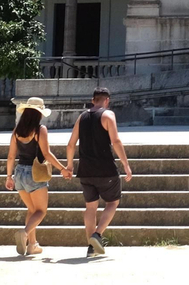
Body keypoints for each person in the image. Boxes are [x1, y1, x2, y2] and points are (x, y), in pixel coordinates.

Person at [63, 86, 133, 257]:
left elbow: (71, 144)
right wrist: (126, 164)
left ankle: (91, 247)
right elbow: (116, 141)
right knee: (112, 203)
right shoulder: (108, 115)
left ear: (93, 100)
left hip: (85, 170)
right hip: (106, 169)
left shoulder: (82, 117)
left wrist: (70, 166)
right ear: (107, 101)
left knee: (90, 207)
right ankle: (97, 234)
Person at [4, 96, 69, 256]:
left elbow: (11, 156)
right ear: (39, 113)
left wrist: (8, 176)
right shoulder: (40, 130)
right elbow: (46, 154)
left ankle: (32, 245)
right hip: (34, 174)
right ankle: (25, 233)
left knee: (31, 210)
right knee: (41, 211)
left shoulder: (16, 131)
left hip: (19, 173)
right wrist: (62, 169)